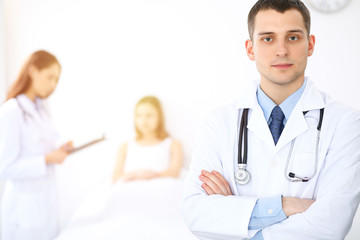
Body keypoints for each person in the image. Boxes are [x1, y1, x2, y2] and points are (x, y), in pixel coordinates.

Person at [181, 1, 360, 239]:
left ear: (310, 44)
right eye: (268, 39)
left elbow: (330, 225)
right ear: (250, 48)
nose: (281, 50)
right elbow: (196, 213)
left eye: (293, 38)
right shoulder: (218, 123)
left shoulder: (345, 123)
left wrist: (237, 217)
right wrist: (284, 206)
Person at [0, 50, 73, 240]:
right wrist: (46, 160)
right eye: (49, 77)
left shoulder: (42, 108)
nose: (53, 85)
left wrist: (61, 144)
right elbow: (5, 168)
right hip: (22, 215)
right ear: (33, 71)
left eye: (56, 80)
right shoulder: (12, 111)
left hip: (45, 206)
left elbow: (48, 137)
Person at [112, 96, 182, 183]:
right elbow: (115, 178)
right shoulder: (125, 146)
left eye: (149, 116)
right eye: (139, 115)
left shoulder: (173, 144)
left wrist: (152, 176)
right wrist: (136, 175)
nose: (143, 121)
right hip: (129, 190)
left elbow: (174, 173)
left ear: (159, 117)